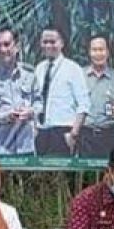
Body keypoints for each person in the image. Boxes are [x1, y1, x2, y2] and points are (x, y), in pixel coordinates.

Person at [32, 28, 89, 157]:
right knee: (41, 175)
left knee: (63, 176)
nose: (48, 45)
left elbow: (84, 105)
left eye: (52, 42)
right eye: (45, 42)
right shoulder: (39, 68)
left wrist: (73, 134)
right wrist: (34, 127)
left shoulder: (73, 69)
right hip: (41, 132)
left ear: (61, 43)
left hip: (63, 132)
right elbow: (35, 100)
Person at [79, 36, 114, 157]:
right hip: (84, 136)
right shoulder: (79, 76)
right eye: (94, 50)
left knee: (110, 174)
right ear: (89, 52)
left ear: (108, 52)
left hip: (110, 136)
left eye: (101, 50)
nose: (98, 53)